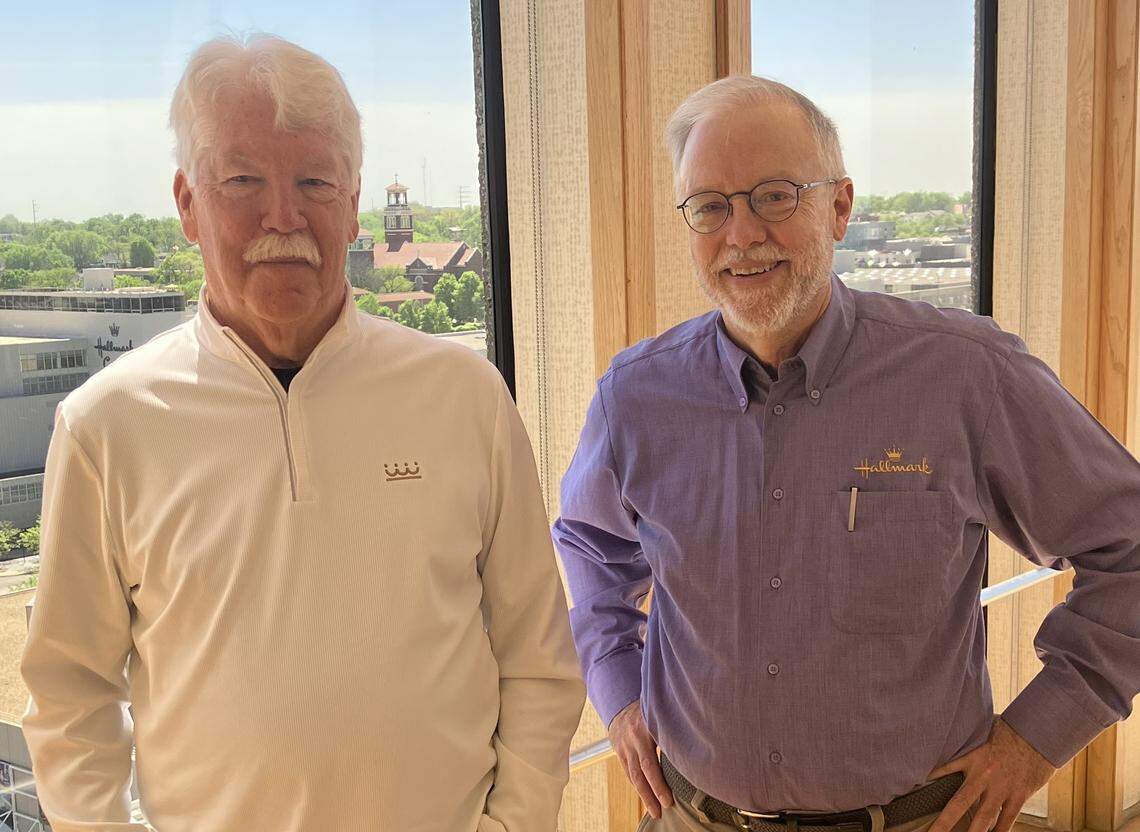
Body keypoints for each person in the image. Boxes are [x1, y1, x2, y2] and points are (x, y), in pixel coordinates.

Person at [21, 33, 584, 832]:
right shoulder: (106, 426)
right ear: (187, 203)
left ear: (352, 205)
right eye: (242, 180)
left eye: (314, 180)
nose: (282, 216)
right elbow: (69, 695)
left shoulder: (465, 397)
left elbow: (538, 655)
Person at [553, 75, 1140, 832]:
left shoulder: (967, 376)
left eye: (774, 196)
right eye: (710, 206)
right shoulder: (636, 396)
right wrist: (617, 686)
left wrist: (1036, 740)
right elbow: (590, 545)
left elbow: (1129, 547)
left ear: (839, 207)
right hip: (692, 816)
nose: (742, 234)